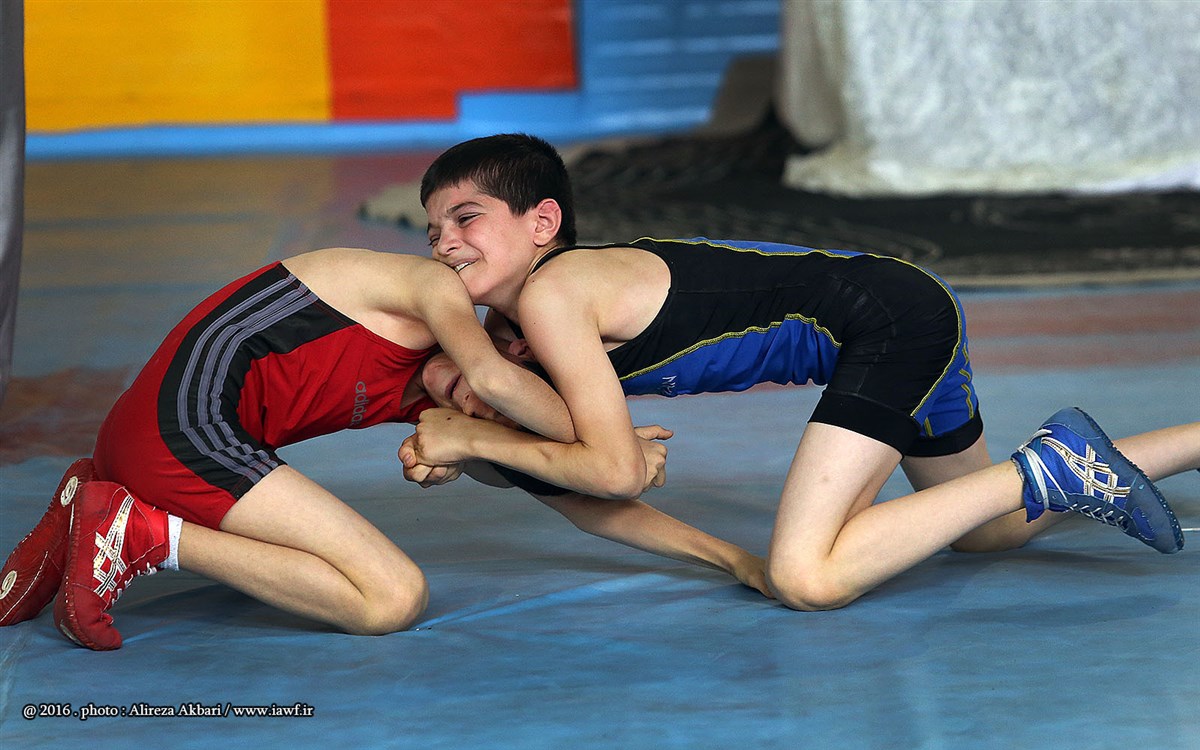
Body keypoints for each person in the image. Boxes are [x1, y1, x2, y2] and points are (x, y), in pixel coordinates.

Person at [403, 133, 1194, 613]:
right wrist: (470, 450)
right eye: (433, 230)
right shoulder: (508, 337)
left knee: (809, 577)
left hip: (886, 321)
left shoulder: (556, 293)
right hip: (901, 310)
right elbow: (561, 476)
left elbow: (610, 473)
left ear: (543, 222)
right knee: (989, 531)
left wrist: (471, 440)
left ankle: (1051, 466)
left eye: (467, 218)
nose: (445, 242)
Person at [0, 247, 766, 650]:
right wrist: (610, 442)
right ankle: (137, 530)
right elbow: (495, 380)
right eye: (510, 364)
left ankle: (93, 500)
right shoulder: (429, 293)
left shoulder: (449, 409)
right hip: (180, 430)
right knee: (391, 599)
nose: (479, 400)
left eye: (497, 406)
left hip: (152, 445)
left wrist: (732, 558)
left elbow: (584, 501)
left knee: (376, 590)